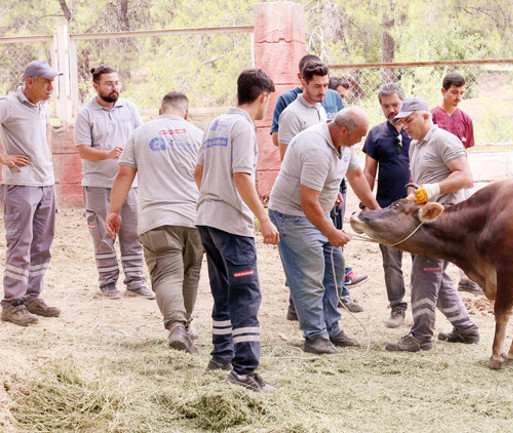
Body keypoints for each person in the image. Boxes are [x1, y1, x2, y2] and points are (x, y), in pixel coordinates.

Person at [268, 107, 380, 355]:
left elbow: (357, 176)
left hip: (318, 212)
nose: (361, 141)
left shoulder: (345, 143)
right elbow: (308, 201)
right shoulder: (316, 148)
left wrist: (375, 209)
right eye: (359, 135)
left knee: (335, 269)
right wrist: (331, 231)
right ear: (343, 130)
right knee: (310, 272)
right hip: (293, 215)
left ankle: (331, 328)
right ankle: (315, 336)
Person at [195, 68, 279, 393]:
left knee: (223, 292)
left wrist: (213, 197)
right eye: (266, 101)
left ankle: (221, 355)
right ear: (262, 97)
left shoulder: (215, 123)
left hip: (206, 218)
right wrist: (263, 218)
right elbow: (242, 177)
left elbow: (198, 171)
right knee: (246, 295)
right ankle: (244, 372)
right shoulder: (243, 127)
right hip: (232, 225)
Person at [105, 91, 203, 354]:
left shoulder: (141, 133)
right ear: (186, 113)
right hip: (194, 217)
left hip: (156, 218)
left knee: (166, 274)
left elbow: (124, 173)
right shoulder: (198, 134)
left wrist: (114, 211)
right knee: (189, 273)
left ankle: (177, 327)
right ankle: (185, 324)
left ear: (160, 112)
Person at [386, 97, 480, 352]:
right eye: (401, 122)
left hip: (446, 217)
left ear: (426, 117)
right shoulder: (416, 145)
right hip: (426, 217)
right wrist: (412, 197)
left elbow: (465, 176)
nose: (404, 126)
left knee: (423, 273)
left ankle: (421, 336)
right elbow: (419, 180)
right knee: (433, 274)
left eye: (409, 120)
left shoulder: (444, 140)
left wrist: (434, 189)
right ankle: (466, 329)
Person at [276, 59, 366, 319]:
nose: (323, 91)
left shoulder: (321, 110)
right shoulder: (292, 114)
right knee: (311, 263)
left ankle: (324, 320)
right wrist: (316, 187)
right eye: (317, 85)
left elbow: (349, 168)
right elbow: (288, 161)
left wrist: (327, 186)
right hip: (299, 204)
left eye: (326, 85)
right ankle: (312, 325)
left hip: (318, 195)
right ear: (302, 82)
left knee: (330, 261)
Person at [74, 65, 151, 300]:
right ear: (95, 86)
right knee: (103, 235)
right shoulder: (85, 114)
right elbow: (83, 150)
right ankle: (108, 282)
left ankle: (135, 282)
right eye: (109, 83)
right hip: (98, 184)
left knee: (132, 232)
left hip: (130, 184)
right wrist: (108, 153)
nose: (114, 87)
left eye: (117, 83)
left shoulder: (130, 109)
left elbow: (141, 139)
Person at [0, 60, 62, 326]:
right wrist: (2, 157)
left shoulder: (42, 106)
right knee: (20, 244)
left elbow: (44, 134)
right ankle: (11, 304)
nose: (51, 87)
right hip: (20, 185)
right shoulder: (7, 104)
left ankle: (31, 298)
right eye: (46, 82)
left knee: (41, 245)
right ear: (30, 82)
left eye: (52, 82)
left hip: (45, 184)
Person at [362, 83, 411, 328]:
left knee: (423, 259)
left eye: (395, 105)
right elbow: (368, 173)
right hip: (386, 208)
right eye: (386, 106)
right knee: (391, 261)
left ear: (404, 102)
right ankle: (397, 308)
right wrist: (366, 202)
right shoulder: (375, 134)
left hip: (415, 209)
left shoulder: (419, 130)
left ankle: (424, 308)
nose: (391, 110)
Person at [431, 72, 482, 296]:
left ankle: (466, 278)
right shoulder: (431, 117)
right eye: (454, 92)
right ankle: (434, 274)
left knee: (465, 227)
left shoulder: (465, 119)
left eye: (462, 93)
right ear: (443, 91)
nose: (458, 97)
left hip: (462, 181)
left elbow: (465, 153)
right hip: (439, 182)